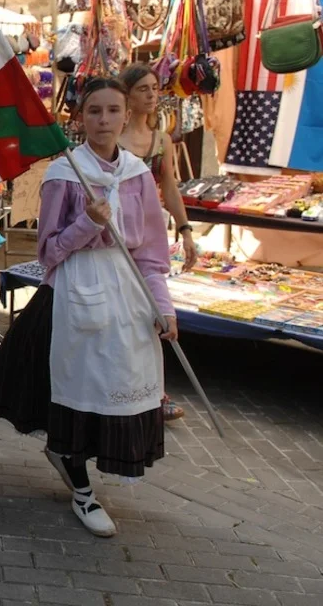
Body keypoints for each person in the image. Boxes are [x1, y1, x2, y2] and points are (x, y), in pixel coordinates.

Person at [0, 78, 176, 538]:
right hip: (74, 293)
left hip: (127, 298)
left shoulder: (137, 174)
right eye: (94, 111)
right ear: (80, 117)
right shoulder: (63, 175)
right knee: (77, 390)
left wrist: (162, 306)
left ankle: (72, 460)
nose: (104, 120)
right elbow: (48, 253)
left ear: (127, 115)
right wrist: (88, 221)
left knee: (119, 385)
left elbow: (150, 251)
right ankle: (81, 488)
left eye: (113, 111)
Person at [120, 63, 197, 422]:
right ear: (128, 95)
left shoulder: (161, 140)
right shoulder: (114, 139)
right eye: (143, 89)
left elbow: (170, 187)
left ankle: (156, 391)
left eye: (154, 88)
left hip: (149, 234)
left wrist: (185, 230)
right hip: (118, 233)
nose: (152, 95)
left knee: (154, 310)